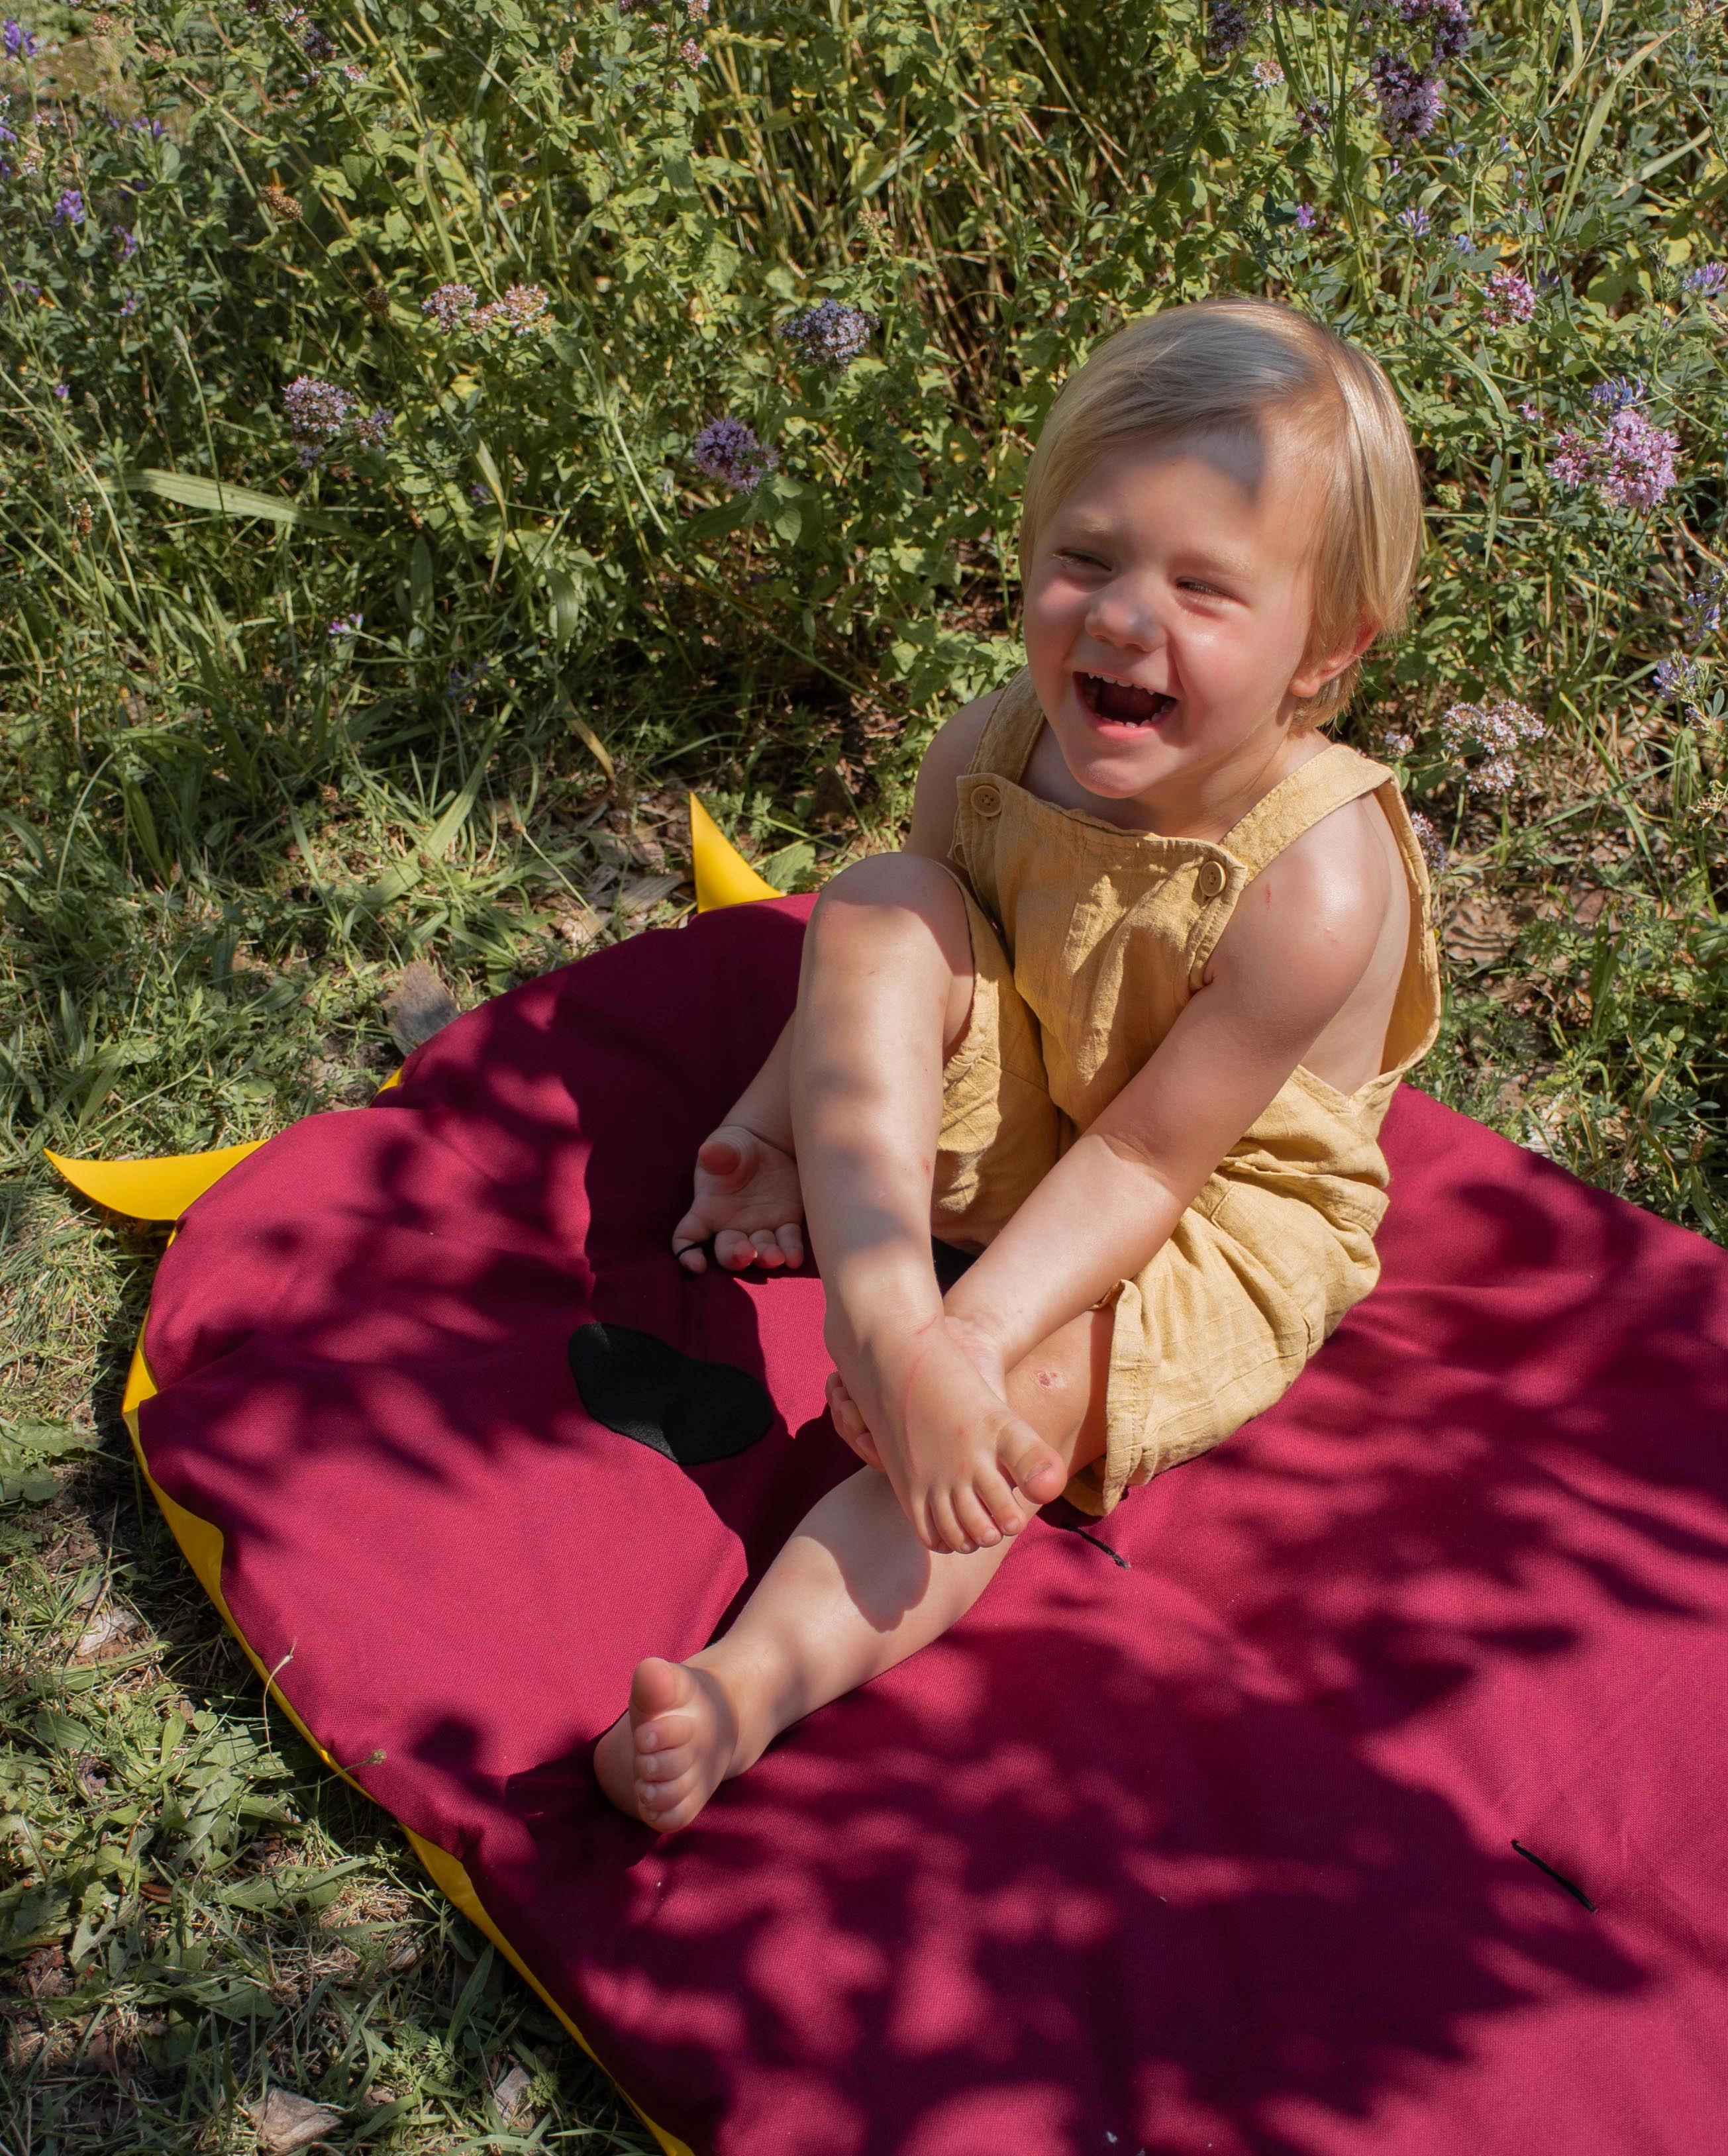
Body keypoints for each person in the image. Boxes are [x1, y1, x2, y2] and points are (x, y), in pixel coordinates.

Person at [594, 297, 1441, 1832]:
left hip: (1201, 1203)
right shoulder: (992, 748)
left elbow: (1146, 1159)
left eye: (1201, 586)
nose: (1122, 620)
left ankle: (745, 1684)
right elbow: (888, 968)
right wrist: (771, 1114)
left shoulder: (1313, 881)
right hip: (1046, 1089)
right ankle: (881, 1306)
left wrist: (972, 1352)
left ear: (1325, 649)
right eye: (1086, 559)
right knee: (880, 895)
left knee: (1011, 1425)